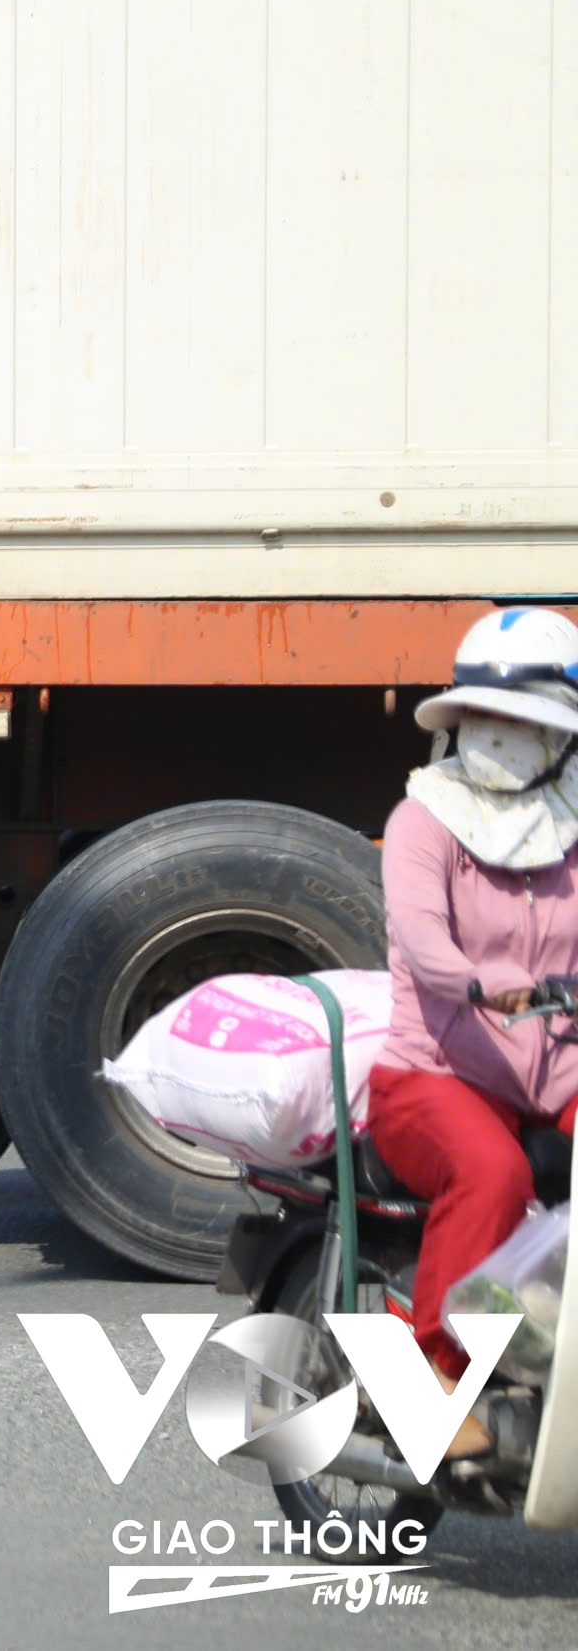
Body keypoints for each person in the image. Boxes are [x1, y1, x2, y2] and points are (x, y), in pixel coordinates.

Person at [364, 606, 578, 1461]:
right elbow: (421, 940)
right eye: (485, 717)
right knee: (496, 1172)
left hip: (555, 1076)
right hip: (433, 1078)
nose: (502, 735)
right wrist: (486, 982)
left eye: (524, 722)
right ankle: (431, 1369)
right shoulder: (423, 819)